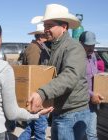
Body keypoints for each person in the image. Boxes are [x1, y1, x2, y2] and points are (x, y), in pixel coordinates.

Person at [28, 4, 91, 140]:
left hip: (72, 113)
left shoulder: (73, 47)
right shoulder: (56, 47)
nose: (45, 29)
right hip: (61, 112)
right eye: (45, 26)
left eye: (49, 25)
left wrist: (43, 93)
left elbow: (70, 75)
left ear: (64, 27)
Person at [19, 16, 50, 140]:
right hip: (37, 94)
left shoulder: (37, 47)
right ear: (41, 36)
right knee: (39, 129)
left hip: (37, 92)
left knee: (31, 128)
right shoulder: (35, 49)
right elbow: (34, 73)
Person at [79, 31, 104, 140]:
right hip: (81, 103)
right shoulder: (76, 58)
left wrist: (103, 75)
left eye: (93, 45)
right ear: (81, 44)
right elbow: (77, 81)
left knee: (92, 134)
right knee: (80, 135)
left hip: (92, 103)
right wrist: (91, 94)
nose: (91, 48)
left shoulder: (93, 55)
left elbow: (95, 72)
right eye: (88, 45)